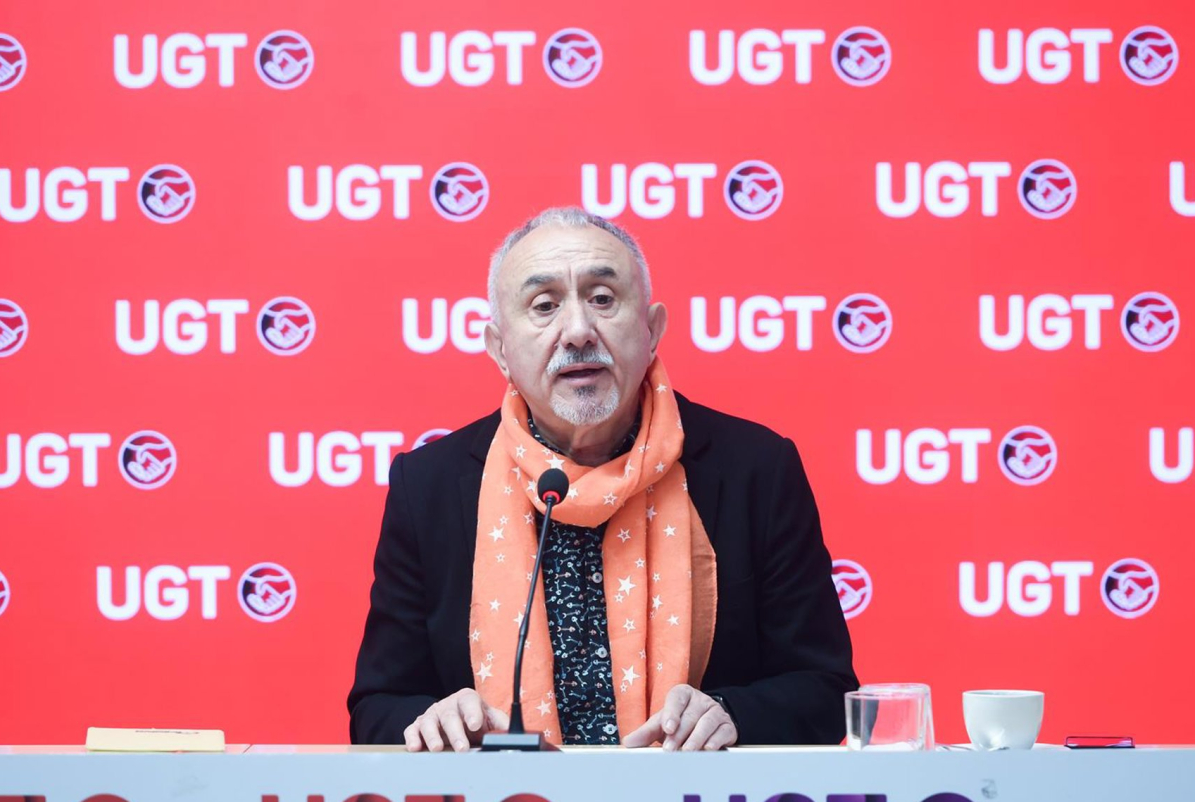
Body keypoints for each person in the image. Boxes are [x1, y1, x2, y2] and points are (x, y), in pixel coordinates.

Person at [348, 207, 857, 751]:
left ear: (652, 329)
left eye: (603, 298)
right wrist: (433, 720)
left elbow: (825, 691)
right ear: (500, 349)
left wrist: (731, 715)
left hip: (690, 801)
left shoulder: (755, 469)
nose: (577, 332)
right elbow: (376, 708)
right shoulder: (428, 486)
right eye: (544, 306)